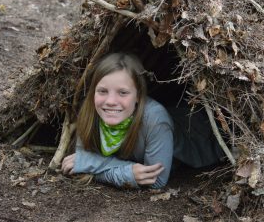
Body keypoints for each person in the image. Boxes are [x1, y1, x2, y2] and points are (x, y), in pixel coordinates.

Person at [61, 53, 224, 189]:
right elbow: (82, 163)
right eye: (102, 91)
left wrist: (92, 162)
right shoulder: (91, 110)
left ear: (138, 95)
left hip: (201, 134)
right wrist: (128, 172)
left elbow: (156, 180)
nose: (110, 101)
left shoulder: (155, 119)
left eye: (123, 93)